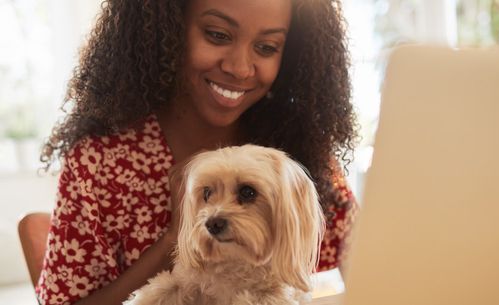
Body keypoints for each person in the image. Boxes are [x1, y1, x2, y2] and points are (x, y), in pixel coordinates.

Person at [36, 0, 359, 304]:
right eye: (217, 35)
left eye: (266, 47)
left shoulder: (304, 151)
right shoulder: (99, 163)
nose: (240, 68)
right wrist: (175, 240)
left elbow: (369, 264)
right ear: (170, 32)